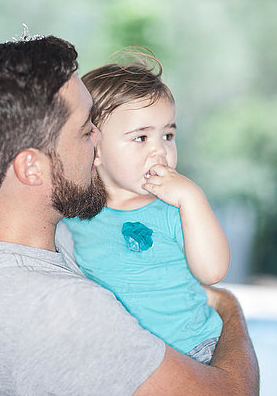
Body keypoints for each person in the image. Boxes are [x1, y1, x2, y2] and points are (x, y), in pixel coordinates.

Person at [0, 34, 259, 395]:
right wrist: (228, 307)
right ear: (31, 168)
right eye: (85, 130)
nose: (97, 141)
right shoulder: (66, 312)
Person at [61, 54, 229, 365]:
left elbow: (214, 271)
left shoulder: (173, 206)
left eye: (168, 135)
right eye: (141, 137)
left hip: (193, 350)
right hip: (126, 361)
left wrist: (192, 198)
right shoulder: (75, 215)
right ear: (94, 147)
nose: (160, 149)